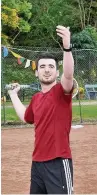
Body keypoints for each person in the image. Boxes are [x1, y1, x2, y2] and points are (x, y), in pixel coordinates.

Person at [8, 25, 74, 194]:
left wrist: (67, 47)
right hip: (37, 163)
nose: (46, 70)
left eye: (51, 67)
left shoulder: (61, 92)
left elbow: (68, 75)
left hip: (58, 162)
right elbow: (26, 117)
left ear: (56, 72)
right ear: (36, 73)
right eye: (42, 67)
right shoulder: (36, 98)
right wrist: (14, 95)